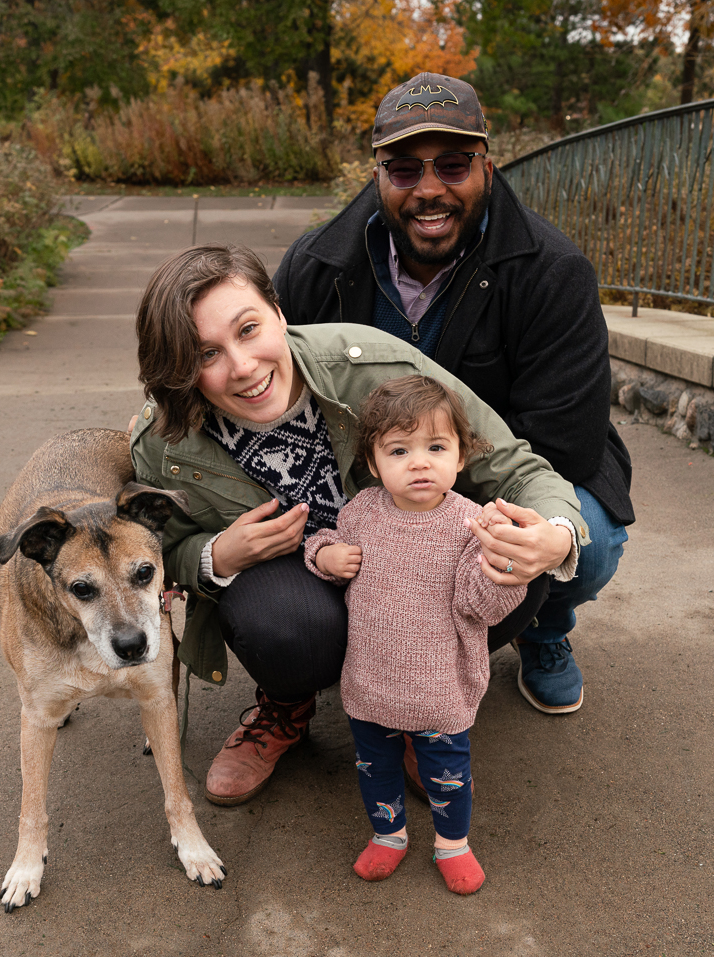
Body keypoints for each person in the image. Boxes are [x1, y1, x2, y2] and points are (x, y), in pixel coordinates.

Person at [129, 244, 586, 807]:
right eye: (205, 354)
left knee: (514, 564)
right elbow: (153, 553)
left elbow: (515, 467)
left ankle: (423, 711)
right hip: (298, 587)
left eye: (248, 329)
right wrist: (216, 555)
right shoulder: (165, 441)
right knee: (281, 626)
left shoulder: (376, 367)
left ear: (277, 309)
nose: (242, 366)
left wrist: (557, 532)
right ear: (179, 369)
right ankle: (285, 705)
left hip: (410, 574)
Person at [272, 71, 635, 715]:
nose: (430, 189)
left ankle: (541, 627)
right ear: (378, 173)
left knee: (590, 539)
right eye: (405, 169)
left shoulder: (552, 271)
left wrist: (448, 521)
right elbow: (271, 390)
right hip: (368, 480)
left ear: (487, 169)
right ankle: (328, 674)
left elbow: (563, 437)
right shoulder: (317, 266)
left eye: (452, 164)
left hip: (503, 470)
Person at [304, 375, 528, 894]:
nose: (419, 462)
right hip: (370, 682)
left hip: (439, 686)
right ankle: (389, 834)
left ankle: (454, 844)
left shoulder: (472, 524)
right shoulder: (360, 512)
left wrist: (505, 563)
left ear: (461, 457)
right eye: (399, 450)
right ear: (373, 462)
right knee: (374, 766)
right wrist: (325, 557)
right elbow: (322, 538)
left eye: (436, 447)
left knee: (447, 774)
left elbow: (482, 605)